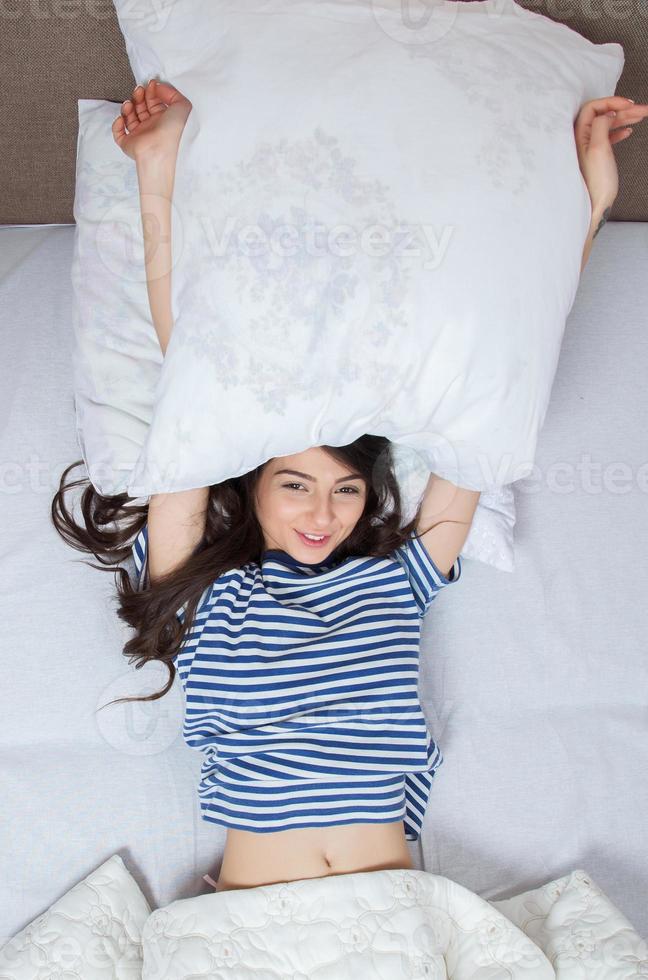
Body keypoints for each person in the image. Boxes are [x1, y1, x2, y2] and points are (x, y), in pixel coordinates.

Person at [52, 80, 645, 894]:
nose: (322, 514)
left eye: (346, 491)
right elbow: (193, 388)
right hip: (260, 918)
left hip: (386, 911)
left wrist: (589, 203)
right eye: (295, 484)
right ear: (252, 483)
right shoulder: (202, 591)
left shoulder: (397, 579)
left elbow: (495, 404)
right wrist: (158, 173)